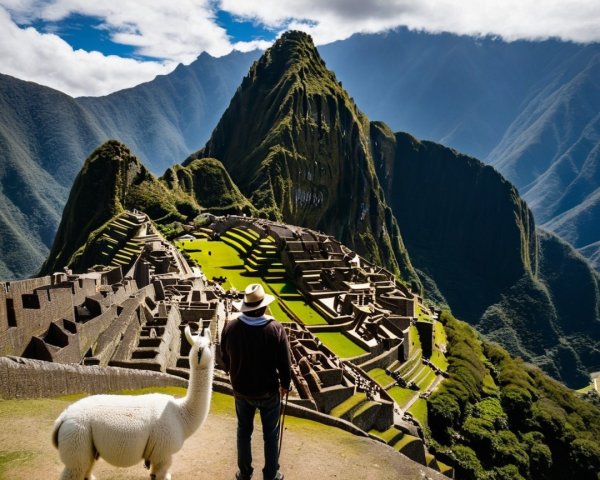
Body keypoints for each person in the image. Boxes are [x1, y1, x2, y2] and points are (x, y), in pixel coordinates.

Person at [221, 283, 292, 480]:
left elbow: (224, 356)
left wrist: (231, 372)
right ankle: (270, 474)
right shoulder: (275, 329)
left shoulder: (231, 327)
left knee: (243, 431)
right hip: (268, 392)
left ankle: (244, 473)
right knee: (270, 434)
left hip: (241, 391)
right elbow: (285, 363)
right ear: (263, 306)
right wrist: (285, 384)